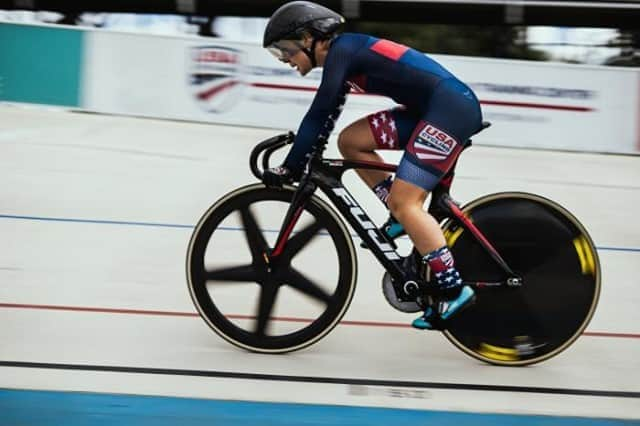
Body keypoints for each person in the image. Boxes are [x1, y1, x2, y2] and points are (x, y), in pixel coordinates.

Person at [262, 1, 482, 329]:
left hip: (449, 110)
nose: (284, 59)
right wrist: (299, 158)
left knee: (408, 203)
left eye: (285, 49)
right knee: (351, 142)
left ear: (308, 38)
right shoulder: (343, 56)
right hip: (432, 109)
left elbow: (320, 112)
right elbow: (330, 115)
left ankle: (453, 289)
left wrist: (291, 167)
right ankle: (397, 213)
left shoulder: (342, 51)